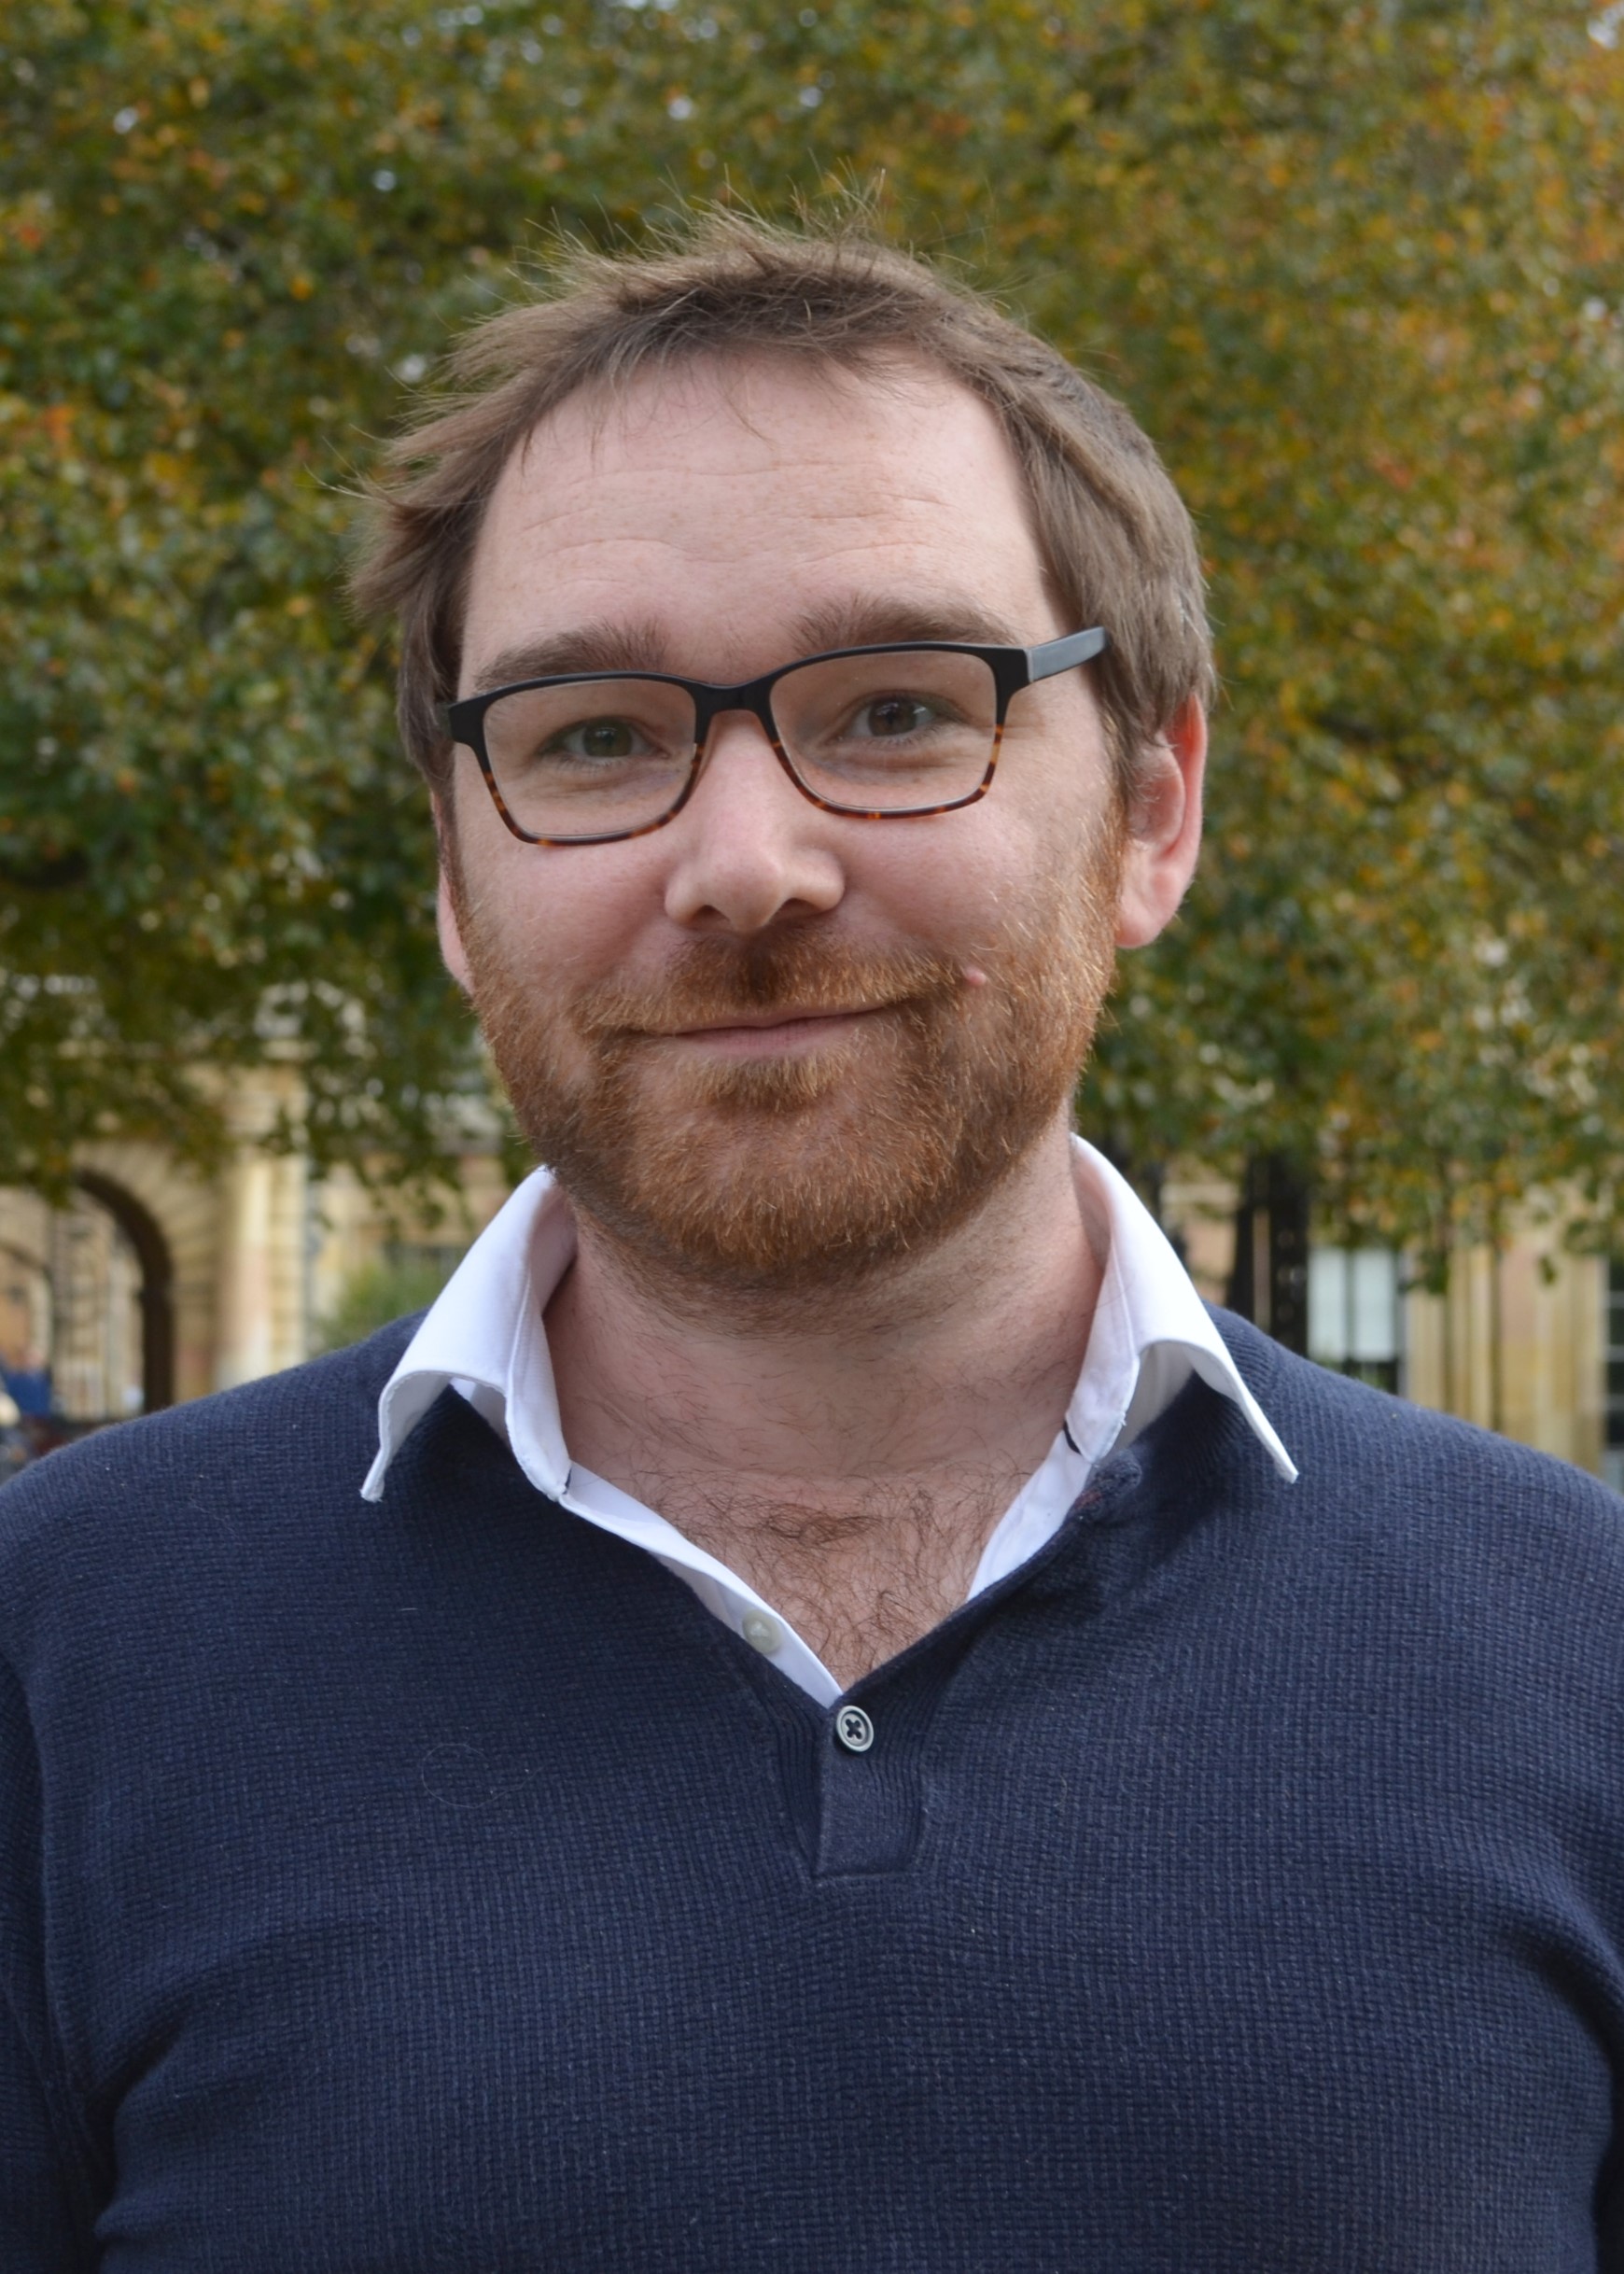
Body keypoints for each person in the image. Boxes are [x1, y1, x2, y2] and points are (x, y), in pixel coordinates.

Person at [2, 214, 1621, 2273]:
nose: (746, 866)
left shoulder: (1582, 1656)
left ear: (1153, 810)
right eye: (592, 734)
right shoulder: (56, 1660)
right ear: (449, 867)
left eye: (892, 711)